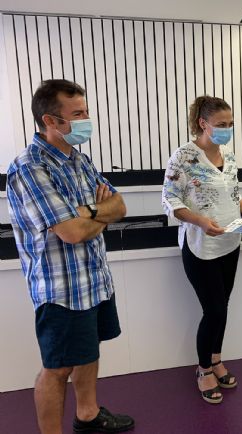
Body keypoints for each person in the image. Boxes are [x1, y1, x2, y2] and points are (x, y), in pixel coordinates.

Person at [6, 79, 133, 434]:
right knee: (57, 368)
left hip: (94, 280)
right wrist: (97, 213)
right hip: (60, 291)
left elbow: (119, 205)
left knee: (89, 351)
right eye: (77, 114)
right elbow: (71, 233)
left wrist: (87, 211)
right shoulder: (30, 168)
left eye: (86, 112)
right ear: (51, 121)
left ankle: (88, 415)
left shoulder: (79, 159)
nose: (86, 120)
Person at [162, 96, 242, 404]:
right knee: (214, 310)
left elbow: (231, 195)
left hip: (230, 241)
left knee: (224, 305)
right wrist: (199, 220)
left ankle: (216, 357)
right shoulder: (184, 156)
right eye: (221, 125)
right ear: (202, 123)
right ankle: (203, 369)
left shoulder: (229, 156)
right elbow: (170, 200)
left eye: (231, 124)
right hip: (201, 246)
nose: (227, 130)